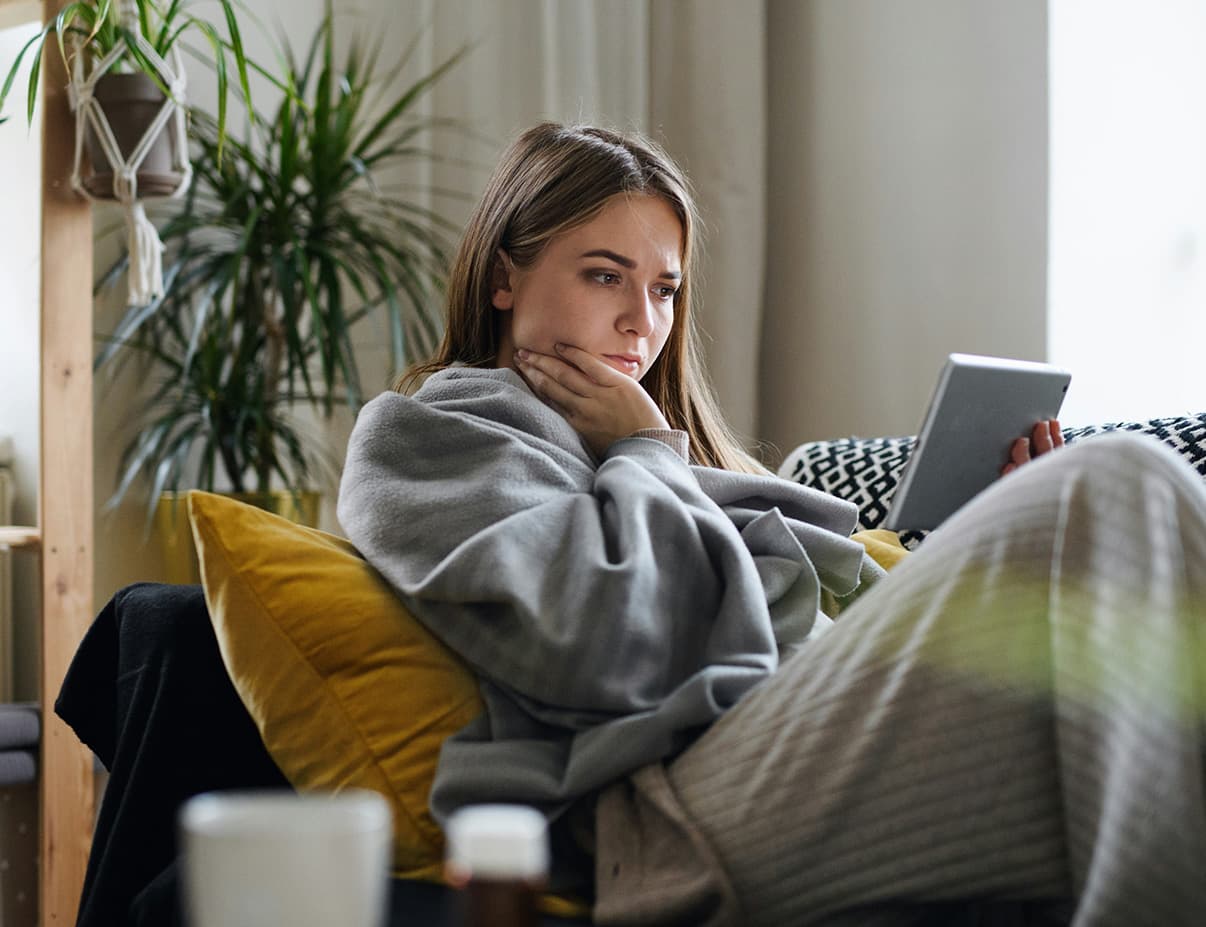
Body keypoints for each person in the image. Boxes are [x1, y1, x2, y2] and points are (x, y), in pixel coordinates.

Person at [62, 122, 1206, 927]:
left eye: (662, 289)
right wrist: (641, 449)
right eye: (605, 274)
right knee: (1128, 485)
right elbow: (610, 648)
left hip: (791, 745)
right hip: (670, 807)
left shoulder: (661, 452)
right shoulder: (433, 437)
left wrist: (984, 526)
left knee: (1111, 522)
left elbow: (818, 613)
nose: (641, 321)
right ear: (507, 278)